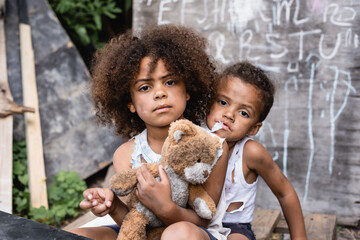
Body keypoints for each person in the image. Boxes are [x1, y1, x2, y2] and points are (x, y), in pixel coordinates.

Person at [68, 24, 230, 240]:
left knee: (177, 234)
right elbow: (135, 224)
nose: (160, 93)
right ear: (130, 104)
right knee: (73, 235)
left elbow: (205, 219)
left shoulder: (212, 146)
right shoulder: (127, 154)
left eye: (170, 82)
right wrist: (112, 205)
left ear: (188, 90)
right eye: (145, 87)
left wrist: (165, 207)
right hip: (147, 235)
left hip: (193, 233)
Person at [205, 62, 307, 240]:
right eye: (223, 102)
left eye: (243, 113)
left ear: (254, 128)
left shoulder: (250, 152)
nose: (229, 114)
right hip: (199, 224)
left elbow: (285, 192)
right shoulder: (192, 139)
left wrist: (299, 238)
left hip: (234, 228)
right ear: (208, 104)